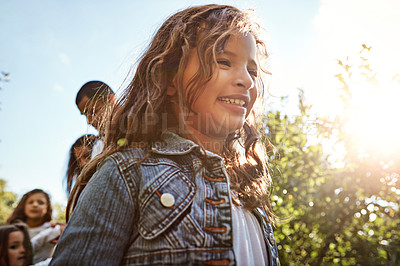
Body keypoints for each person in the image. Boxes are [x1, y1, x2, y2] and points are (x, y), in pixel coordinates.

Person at [50, 4, 280, 265]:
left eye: (252, 71)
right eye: (223, 62)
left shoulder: (249, 186)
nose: (247, 81)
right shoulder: (127, 173)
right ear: (170, 80)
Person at [7, 189, 63, 264]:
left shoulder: (54, 229)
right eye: (30, 202)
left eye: (41, 203)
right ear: (23, 206)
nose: (35, 205)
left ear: (47, 207)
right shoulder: (12, 229)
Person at [75, 80, 116, 158]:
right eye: (85, 115)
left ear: (111, 100)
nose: (89, 121)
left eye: (92, 112)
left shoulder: (141, 125)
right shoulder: (98, 147)